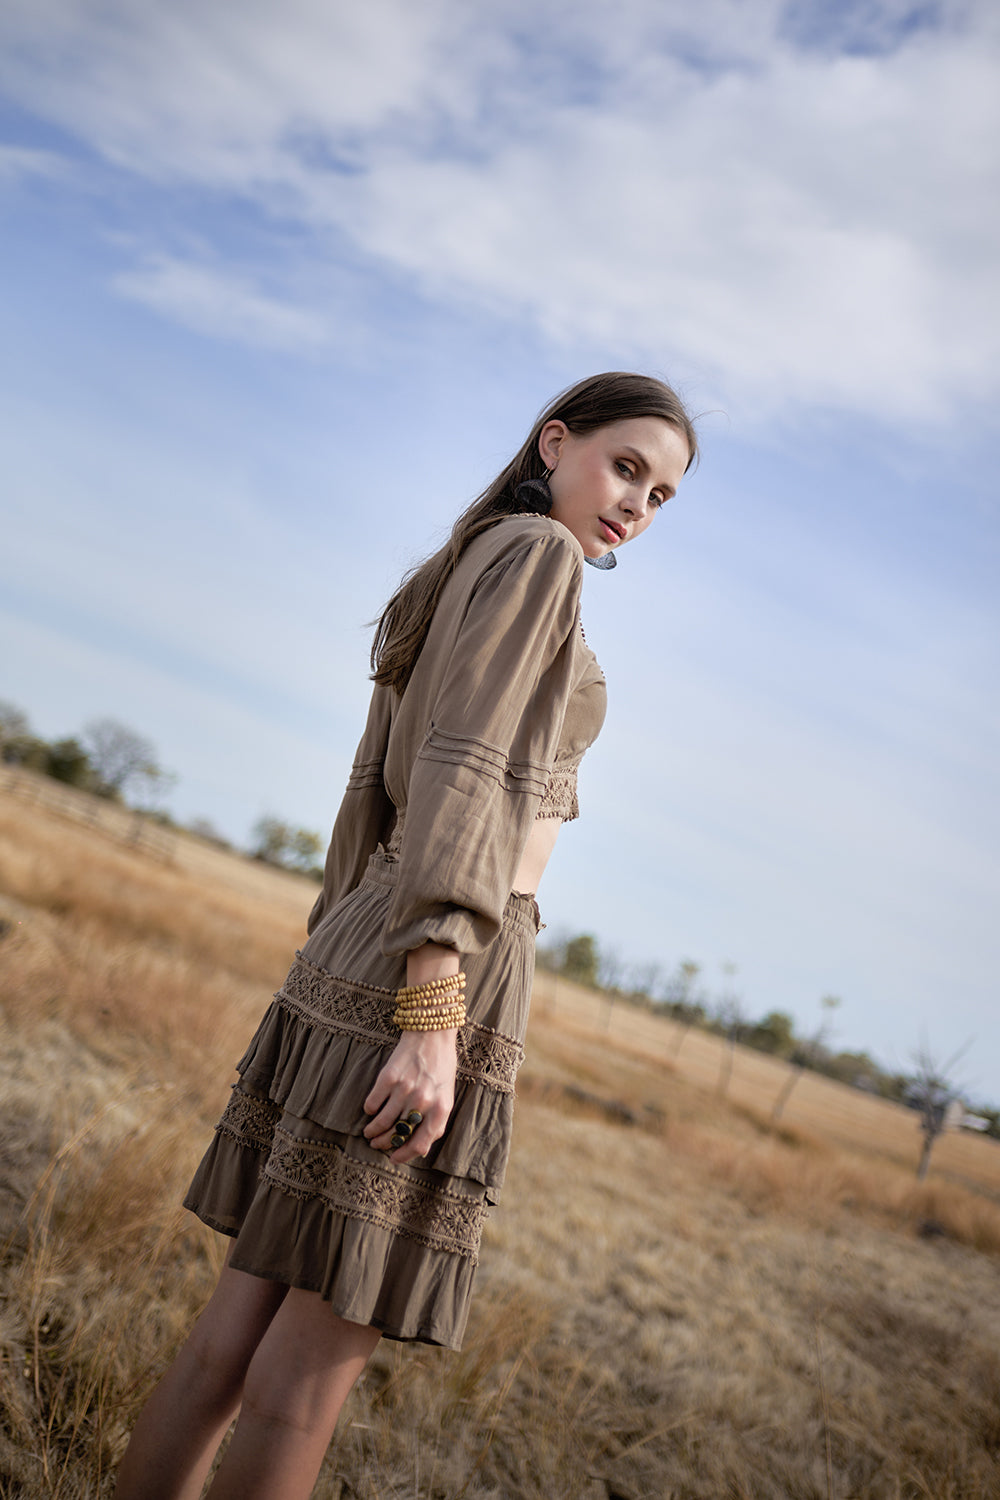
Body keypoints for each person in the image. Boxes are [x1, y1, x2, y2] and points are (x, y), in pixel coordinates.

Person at [113, 371, 697, 1500]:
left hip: (371, 934)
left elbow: (369, 794)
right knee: (300, 1388)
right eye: (626, 467)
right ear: (556, 441)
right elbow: (463, 774)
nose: (637, 504)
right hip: (446, 959)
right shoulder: (542, 560)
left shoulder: (465, 557)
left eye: (662, 495)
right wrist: (432, 1011)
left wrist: (340, 943)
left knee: (226, 1347)